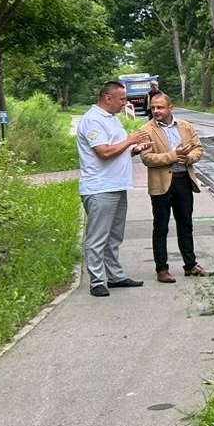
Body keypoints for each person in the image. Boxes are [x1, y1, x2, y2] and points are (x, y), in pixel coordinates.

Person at [76, 81, 151, 297]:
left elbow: (118, 151)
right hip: (100, 188)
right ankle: (97, 281)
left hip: (117, 185)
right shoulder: (93, 120)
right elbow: (104, 152)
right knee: (98, 237)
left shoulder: (112, 120)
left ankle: (115, 276)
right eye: (122, 99)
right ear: (108, 98)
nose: (125, 103)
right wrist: (130, 140)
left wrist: (135, 149)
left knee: (114, 236)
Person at [140, 92, 213, 284]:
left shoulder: (185, 127)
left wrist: (188, 158)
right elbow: (147, 158)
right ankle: (162, 269)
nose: (156, 111)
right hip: (161, 184)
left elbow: (198, 148)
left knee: (186, 225)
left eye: (160, 107)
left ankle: (190, 265)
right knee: (161, 227)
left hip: (183, 181)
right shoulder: (146, 130)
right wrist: (173, 156)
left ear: (170, 108)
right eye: (153, 107)